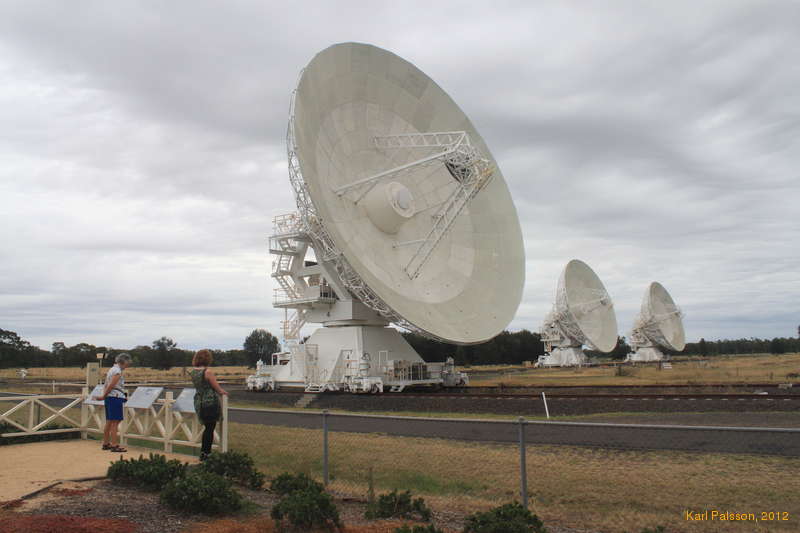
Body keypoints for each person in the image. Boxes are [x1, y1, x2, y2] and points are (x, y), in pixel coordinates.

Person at [191, 349, 228, 461]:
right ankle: (206, 453)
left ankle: (204, 452)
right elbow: (217, 388)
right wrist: (223, 393)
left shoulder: (193, 372)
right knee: (210, 428)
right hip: (209, 402)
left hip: (199, 401)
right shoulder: (207, 372)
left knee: (207, 427)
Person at [95, 353, 131, 452]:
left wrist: (105, 396)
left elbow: (107, 385)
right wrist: (103, 396)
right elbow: (111, 385)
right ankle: (114, 445)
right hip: (115, 397)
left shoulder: (112, 369)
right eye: (128, 362)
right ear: (124, 361)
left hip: (110, 397)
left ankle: (106, 443)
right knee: (115, 421)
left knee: (109, 421)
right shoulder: (117, 371)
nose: (128, 365)